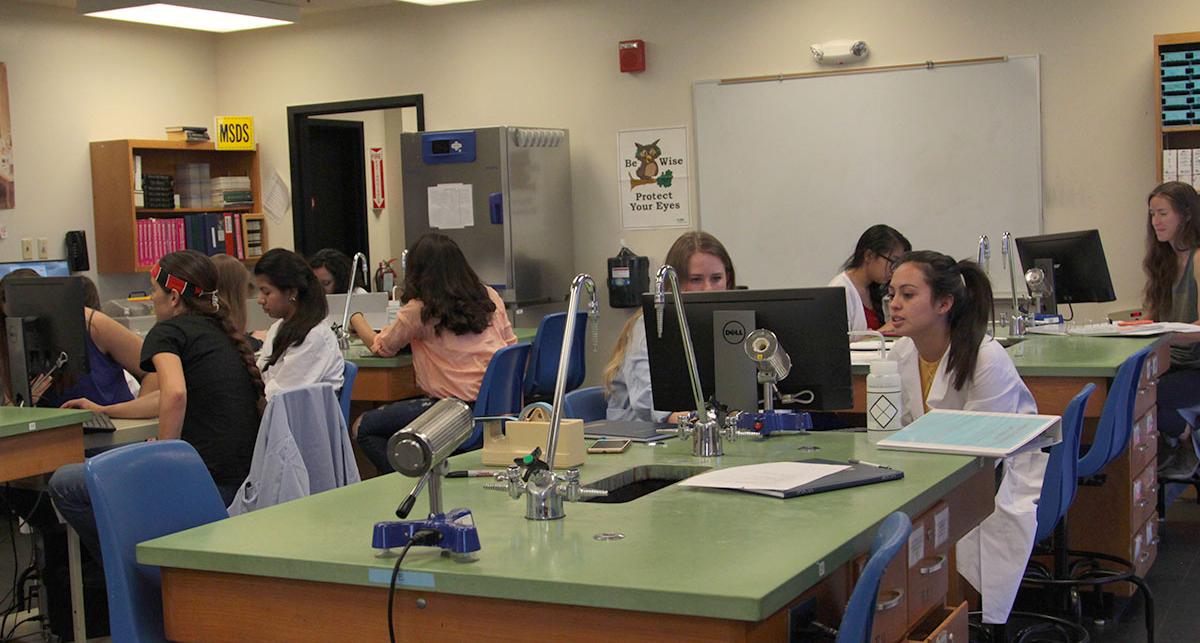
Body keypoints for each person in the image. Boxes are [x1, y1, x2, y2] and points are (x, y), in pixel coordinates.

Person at [51, 250, 265, 559]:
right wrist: (103, 410)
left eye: (154, 290)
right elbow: (168, 395)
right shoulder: (221, 332)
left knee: (65, 483)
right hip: (238, 486)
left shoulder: (169, 332)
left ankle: (126, 567)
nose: (151, 298)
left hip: (200, 484)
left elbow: (175, 394)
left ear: (174, 297)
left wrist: (163, 462)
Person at [885, 249, 1041, 622]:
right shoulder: (902, 352)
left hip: (996, 477)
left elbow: (978, 454)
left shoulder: (985, 359)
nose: (894, 305)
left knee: (935, 529)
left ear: (944, 303)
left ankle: (955, 616)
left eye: (908, 295)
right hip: (935, 470)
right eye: (891, 294)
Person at [349, 233, 516, 472]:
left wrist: (357, 319)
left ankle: (410, 483)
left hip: (451, 410)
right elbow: (511, 344)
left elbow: (382, 346)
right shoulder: (489, 296)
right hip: (496, 408)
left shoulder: (419, 309)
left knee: (363, 427)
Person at [603, 231, 735, 423]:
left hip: (693, 428)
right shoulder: (649, 324)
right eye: (696, 279)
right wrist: (700, 420)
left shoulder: (729, 322)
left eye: (716, 278)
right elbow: (647, 402)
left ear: (728, 279)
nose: (708, 288)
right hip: (640, 437)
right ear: (674, 281)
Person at [0, 270, 157, 409]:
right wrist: (25, 404)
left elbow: (153, 369)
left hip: (116, 427)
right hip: (59, 435)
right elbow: (11, 408)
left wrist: (134, 412)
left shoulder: (92, 324)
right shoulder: (8, 344)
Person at [1142, 182, 1200, 478]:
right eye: (1152, 214)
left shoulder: (1198, 259)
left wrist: (1166, 333)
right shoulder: (1163, 262)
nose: (1156, 222)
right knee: (1125, 388)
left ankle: (1186, 436)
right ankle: (1176, 437)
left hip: (1194, 366)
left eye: (1163, 213)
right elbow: (1153, 318)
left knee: (1146, 394)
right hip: (1169, 362)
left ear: (1186, 215)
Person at [253, 248, 344, 399]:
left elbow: (282, 395)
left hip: (302, 419)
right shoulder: (277, 329)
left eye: (267, 292)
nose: (260, 300)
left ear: (292, 293)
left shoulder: (314, 336)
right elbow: (261, 376)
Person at [829, 224, 911, 333]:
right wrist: (882, 331)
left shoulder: (874, 288)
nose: (894, 270)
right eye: (893, 262)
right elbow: (840, 345)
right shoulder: (839, 290)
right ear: (869, 255)